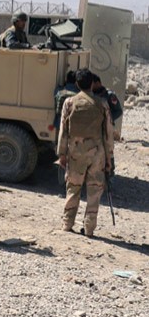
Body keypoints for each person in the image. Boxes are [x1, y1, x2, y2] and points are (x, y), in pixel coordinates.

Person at [57, 69, 115, 237]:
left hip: (75, 153)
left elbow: (64, 130)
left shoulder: (69, 102)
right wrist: (109, 157)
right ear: (91, 84)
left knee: (73, 188)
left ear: (76, 84)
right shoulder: (102, 104)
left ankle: (67, 224)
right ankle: (89, 229)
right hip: (97, 153)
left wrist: (62, 154)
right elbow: (108, 133)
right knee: (94, 190)